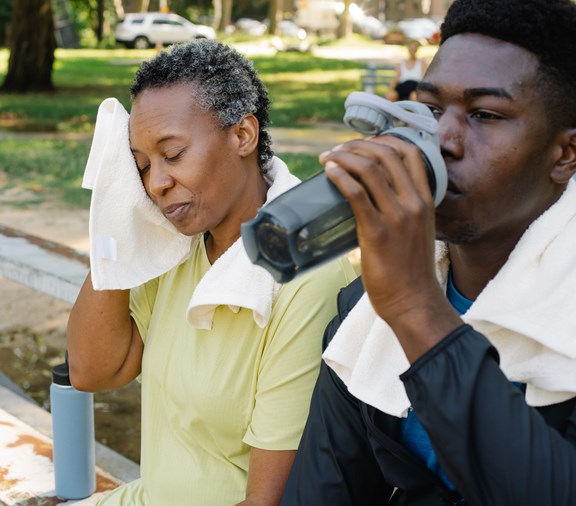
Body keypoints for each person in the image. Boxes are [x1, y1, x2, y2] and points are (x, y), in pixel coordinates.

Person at [281, 0, 576, 504]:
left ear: (564, 154)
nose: (441, 139)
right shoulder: (366, 312)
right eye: (431, 110)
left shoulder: (400, 298)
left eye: (485, 115)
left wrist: (416, 307)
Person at [67, 40, 356, 505]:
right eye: (140, 166)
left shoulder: (306, 278)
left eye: (173, 154)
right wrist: (115, 220)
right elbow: (92, 370)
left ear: (243, 135)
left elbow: (267, 501)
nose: (156, 183)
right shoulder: (174, 244)